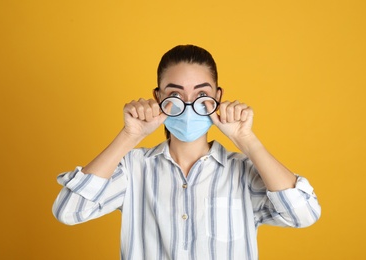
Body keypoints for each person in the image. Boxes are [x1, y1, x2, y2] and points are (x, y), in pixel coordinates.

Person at [52, 44, 321, 260]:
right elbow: (69, 211)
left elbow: (303, 215)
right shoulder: (133, 169)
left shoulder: (243, 173)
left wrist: (246, 139)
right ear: (158, 98)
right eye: (176, 94)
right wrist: (129, 136)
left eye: (201, 93)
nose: (189, 105)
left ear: (218, 96)